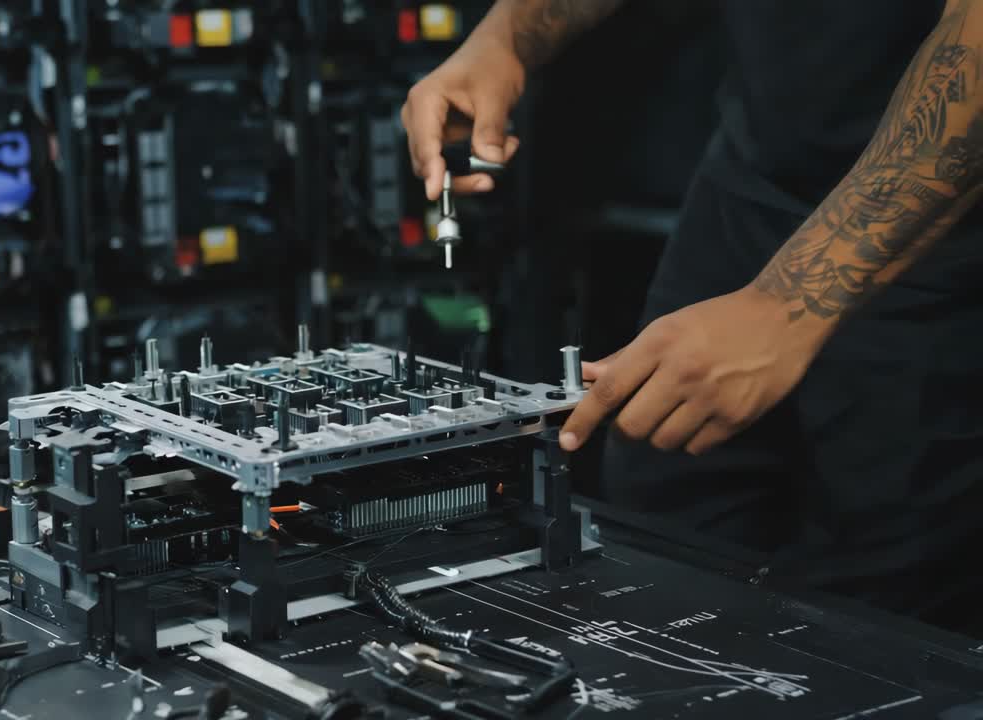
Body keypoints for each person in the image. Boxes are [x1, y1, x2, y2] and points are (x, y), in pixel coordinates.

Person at [403, 0, 983, 637]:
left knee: (874, 629)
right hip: (749, 185)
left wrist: (787, 305)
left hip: (942, 250)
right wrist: (505, 39)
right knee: (658, 564)